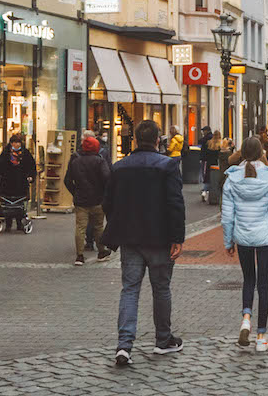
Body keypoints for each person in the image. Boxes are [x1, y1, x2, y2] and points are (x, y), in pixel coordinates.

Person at [101, 120, 185, 366]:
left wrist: (119, 225)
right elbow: (175, 204)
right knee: (161, 289)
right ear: (158, 140)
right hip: (159, 239)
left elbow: (108, 202)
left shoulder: (120, 167)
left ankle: (124, 346)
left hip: (131, 239)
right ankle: (163, 339)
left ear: (135, 140)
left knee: (130, 290)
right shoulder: (168, 166)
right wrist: (177, 238)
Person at [221, 136, 268, 353]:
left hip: (243, 237)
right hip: (265, 238)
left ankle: (246, 319)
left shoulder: (232, 178)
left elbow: (227, 217)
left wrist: (228, 241)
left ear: (242, 153)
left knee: (248, 279)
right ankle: (261, 336)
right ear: (261, 152)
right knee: (263, 284)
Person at [65, 133, 113, 265]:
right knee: (98, 226)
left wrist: (75, 193)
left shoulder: (75, 161)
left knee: (80, 227)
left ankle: (79, 256)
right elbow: (107, 179)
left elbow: (67, 180)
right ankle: (101, 251)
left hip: (81, 200)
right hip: (97, 200)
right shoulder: (99, 161)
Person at [0, 133, 37, 232]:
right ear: (11, 143)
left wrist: (31, 176)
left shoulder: (26, 154)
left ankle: (19, 223)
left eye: (18, 142)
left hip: (20, 183)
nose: (16, 145)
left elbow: (32, 167)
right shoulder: (5, 154)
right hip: (7, 183)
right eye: (14, 142)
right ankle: (8, 223)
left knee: (19, 204)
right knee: (7, 204)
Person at [200, 128, 220, 203]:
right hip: (216, 164)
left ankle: (204, 192)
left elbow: (205, 152)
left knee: (207, 179)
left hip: (209, 163)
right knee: (215, 180)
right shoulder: (220, 144)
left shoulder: (209, 143)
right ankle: (214, 194)